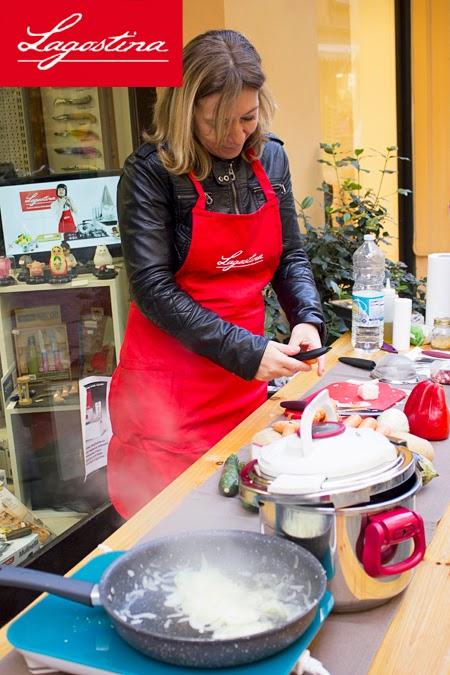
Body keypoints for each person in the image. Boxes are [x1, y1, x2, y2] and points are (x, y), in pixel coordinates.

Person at [108, 29, 326, 519]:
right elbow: (153, 289)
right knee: (175, 536)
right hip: (168, 399)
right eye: (216, 123)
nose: (235, 136)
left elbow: (290, 256)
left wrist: (307, 318)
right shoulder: (150, 173)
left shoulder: (270, 158)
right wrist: (247, 350)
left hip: (244, 384)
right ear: (186, 113)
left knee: (245, 523)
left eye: (247, 119)